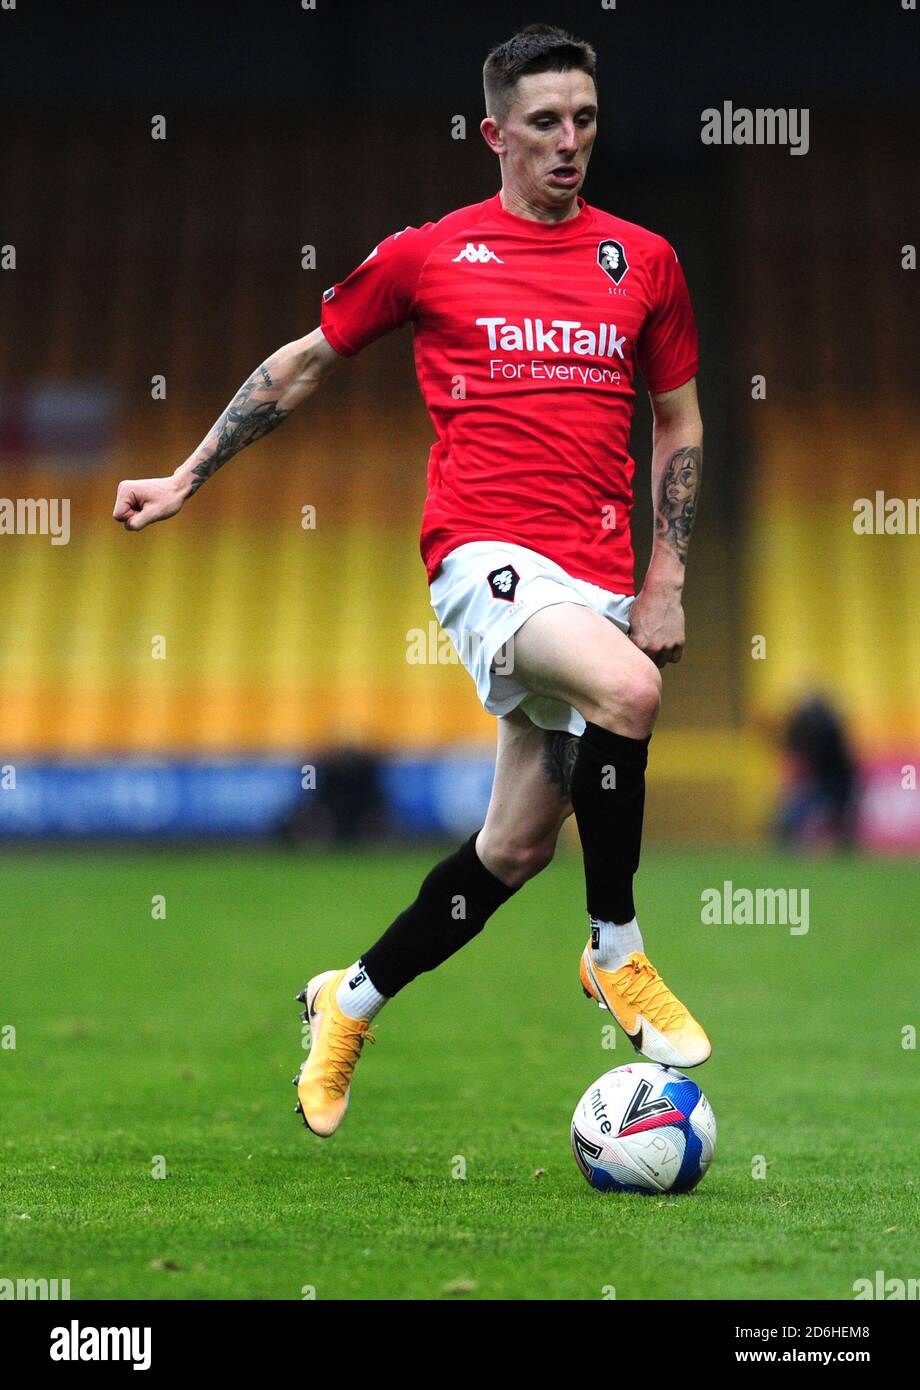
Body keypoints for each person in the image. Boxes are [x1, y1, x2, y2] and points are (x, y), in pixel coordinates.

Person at [112, 23, 709, 1139]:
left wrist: (665, 576)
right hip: (481, 556)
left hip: (600, 571)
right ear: (494, 133)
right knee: (630, 693)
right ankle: (614, 954)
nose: (568, 141)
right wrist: (189, 473)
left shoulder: (646, 260)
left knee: (514, 848)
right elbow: (300, 364)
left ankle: (347, 1001)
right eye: (543, 122)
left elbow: (676, 419)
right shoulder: (430, 255)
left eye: (583, 118)